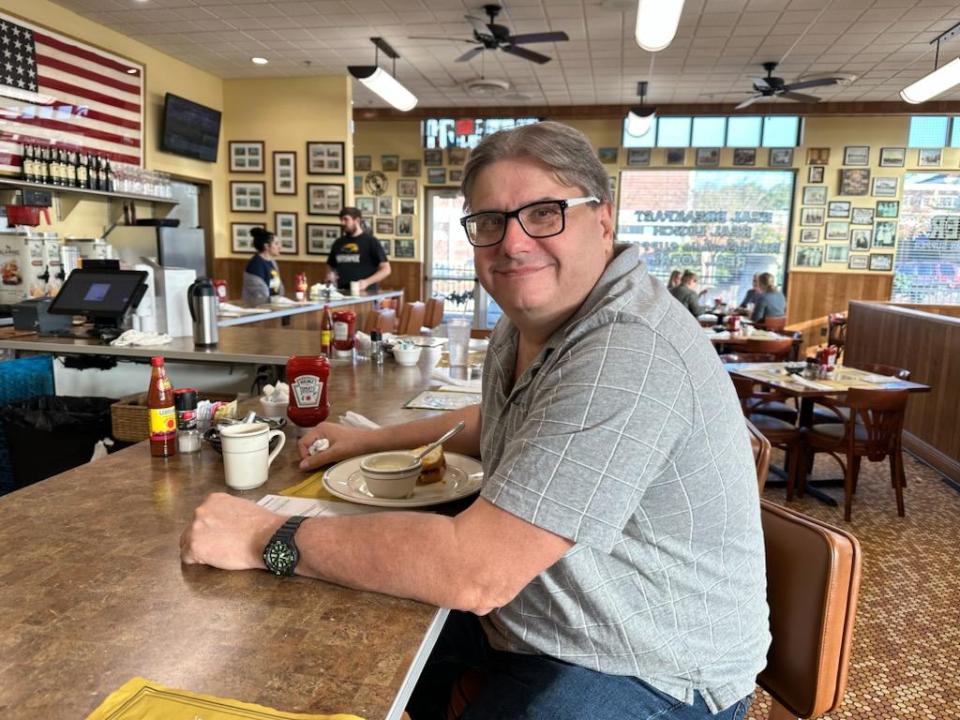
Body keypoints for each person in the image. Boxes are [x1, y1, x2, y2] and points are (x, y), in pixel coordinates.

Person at [181, 122, 768, 720]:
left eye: (544, 213)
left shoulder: (628, 351)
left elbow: (475, 571)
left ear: (604, 220)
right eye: (490, 222)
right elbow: (500, 422)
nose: (512, 244)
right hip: (542, 618)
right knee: (307, 643)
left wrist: (264, 539)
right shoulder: (529, 322)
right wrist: (366, 440)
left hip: (652, 666)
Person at [325, 207, 391, 292]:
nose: (342, 223)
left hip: (366, 294)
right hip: (341, 293)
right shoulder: (338, 242)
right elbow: (330, 265)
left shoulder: (371, 241)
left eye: (346, 219)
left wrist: (366, 282)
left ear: (357, 221)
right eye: (341, 220)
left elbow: (386, 269)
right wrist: (330, 275)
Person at [241, 227, 283, 304]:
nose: (280, 247)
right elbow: (261, 295)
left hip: (273, 306)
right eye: (276, 243)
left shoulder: (272, 262)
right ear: (266, 246)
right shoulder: (256, 265)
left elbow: (278, 287)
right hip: (259, 308)